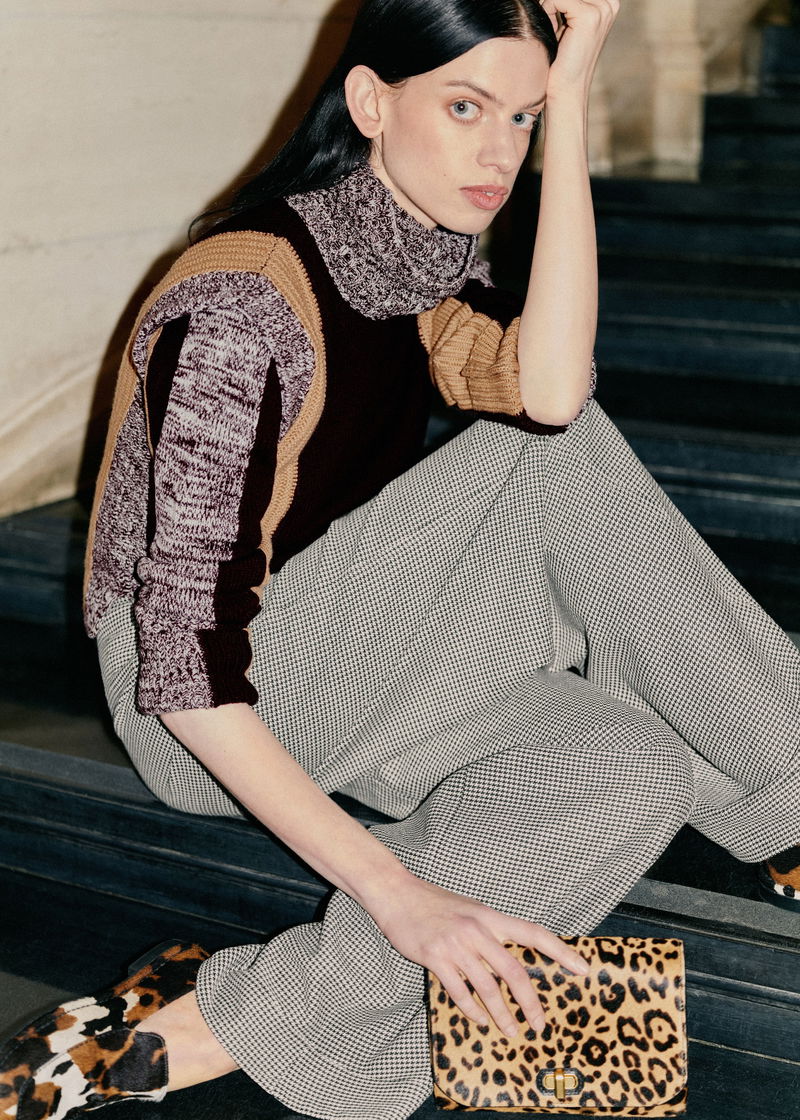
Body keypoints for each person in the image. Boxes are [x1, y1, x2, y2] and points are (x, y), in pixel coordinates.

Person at [3, 1, 799, 1118]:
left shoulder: (416, 258)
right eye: (466, 107)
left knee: (636, 765)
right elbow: (183, 667)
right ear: (370, 101)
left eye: (520, 119)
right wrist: (393, 890)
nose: (498, 152)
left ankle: (222, 1020)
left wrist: (571, 105)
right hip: (209, 705)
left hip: (360, 658)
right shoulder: (241, 302)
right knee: (552, 459)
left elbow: (545, 379)